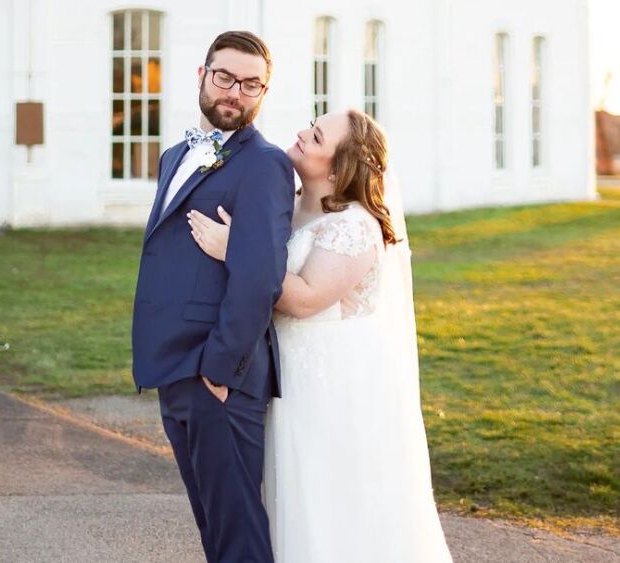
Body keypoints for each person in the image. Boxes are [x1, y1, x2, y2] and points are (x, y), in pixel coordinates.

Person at [188, 109, 453, 562]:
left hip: (334, 386)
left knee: (330, 500)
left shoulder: (355, 226)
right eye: (311, 126)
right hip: (284, 372)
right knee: (286, 491)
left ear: (337, 167)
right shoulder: (286, 204)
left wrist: (236, 251)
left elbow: (306, 298)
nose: (300, 135)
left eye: (314, 137)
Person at [130, 31, 294, 563]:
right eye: (225, 77)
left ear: (263, 92)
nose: (235, 92)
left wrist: (221, 370)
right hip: (173, 365)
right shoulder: (175, 154)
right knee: (211, 522)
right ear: (202, 76)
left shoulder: (265, 165)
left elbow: (261, 278)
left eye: (251, 84)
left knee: (236, 528)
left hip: (218, 372)